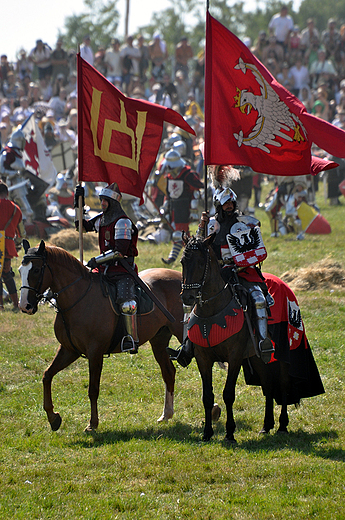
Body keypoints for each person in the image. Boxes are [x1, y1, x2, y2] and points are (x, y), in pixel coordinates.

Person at [168, 165, 274, 367]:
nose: (229, 207)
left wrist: (238, 265)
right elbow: (199, 247)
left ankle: (262, 340)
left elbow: (254, 250)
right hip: (215, 272)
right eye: (225, 205)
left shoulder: (244, 224)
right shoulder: (210, 225)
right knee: (190, 301)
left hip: (240, 271)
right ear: (218, 206)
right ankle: (187, 347)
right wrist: (201, 225)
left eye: (231, 204)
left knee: (258, 298)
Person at [74, 182, 139, 353]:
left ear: (114, 203)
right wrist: (77, 205)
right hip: (103, 269)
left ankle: (130, 339)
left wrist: (97, 260)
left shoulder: (122, 222)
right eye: (101, 200)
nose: (102, 203)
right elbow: (82, 226)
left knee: (128, 303)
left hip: (122, 271)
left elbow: (120, 251)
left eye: (105, 201)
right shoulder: (102, 218)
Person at [161, 149, 203, 265]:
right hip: (174, 207)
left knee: (178, 234)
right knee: (184, 235)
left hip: (184, 207)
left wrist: (193, 209)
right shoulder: (169, 176)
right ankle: (194, 256)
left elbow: (197, 189)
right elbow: (168, 194)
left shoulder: (188, 174)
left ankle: (172, 259)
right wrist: (165, 207)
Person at [0, 180, 25, 311]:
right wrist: (18, 244)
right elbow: (21, 232)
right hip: (7, 245)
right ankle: (15, 304)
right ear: (7, 193)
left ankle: (0, 306)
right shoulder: (16, 208)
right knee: (7, 275)